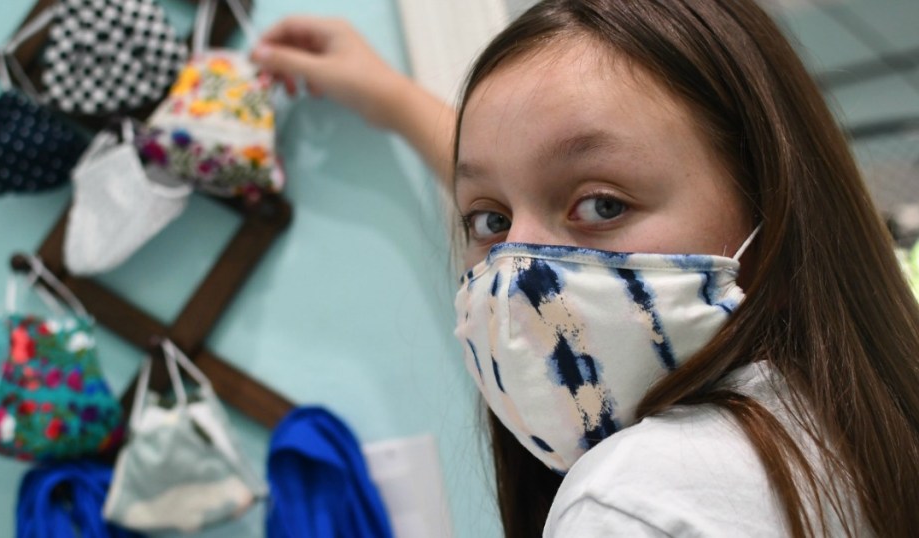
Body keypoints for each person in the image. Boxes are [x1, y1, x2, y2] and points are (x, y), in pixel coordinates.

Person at [251, 1, 919, 536]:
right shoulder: (859, 428)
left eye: (601, 204)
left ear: (773, 212)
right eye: (489, 220)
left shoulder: (629, 503)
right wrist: (396, 101)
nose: (520, 270)